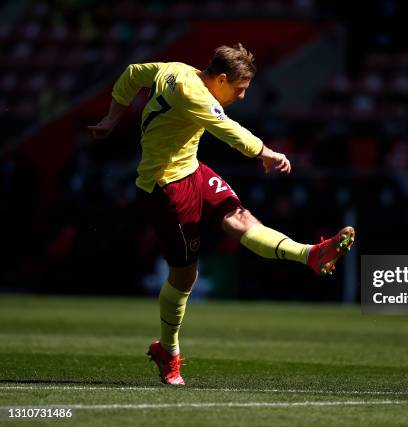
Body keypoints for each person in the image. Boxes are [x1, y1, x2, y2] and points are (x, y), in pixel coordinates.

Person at [88, 43, 355, 385]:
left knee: (241, 218)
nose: (243, 97)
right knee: (185, 279)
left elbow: (131, 74)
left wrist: (112, 117)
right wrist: (267, 153)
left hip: (192, 170)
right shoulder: (193, 93)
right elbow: (230, 132)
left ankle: (311, 255)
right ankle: (167, 352)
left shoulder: (175, 68)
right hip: (165, 187)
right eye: (240, 90)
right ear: (223, 79)